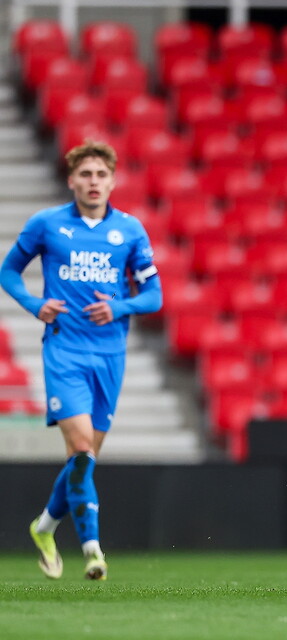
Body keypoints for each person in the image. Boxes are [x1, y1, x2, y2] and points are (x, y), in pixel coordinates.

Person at [0, 140, 162, 580]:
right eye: (85, 175)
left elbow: (153, 295)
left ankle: (44, 527)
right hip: (64, 349)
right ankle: (93, 551)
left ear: (113, 181)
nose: (93, 182)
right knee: (83, 448)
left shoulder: (130, 231)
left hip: (110, 352)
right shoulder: (47, 224)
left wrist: (120, 307)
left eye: (101, 175)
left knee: (82, 460)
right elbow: (8, 270)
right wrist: (34, 305)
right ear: (71, 180)